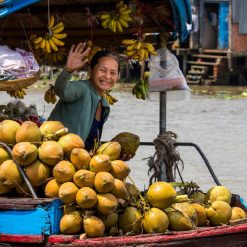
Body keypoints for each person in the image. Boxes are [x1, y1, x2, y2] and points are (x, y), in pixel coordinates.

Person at [48, 42, 132, 160]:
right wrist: (68, 70)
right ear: (91, 70)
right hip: (54, 156)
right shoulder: (82, 89)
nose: (107, 76)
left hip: (78, 163)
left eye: (113, 73)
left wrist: (116, 154)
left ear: (118, 77)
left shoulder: (105, 105)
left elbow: (89, 144)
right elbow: (61, 91)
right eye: (103, 70)